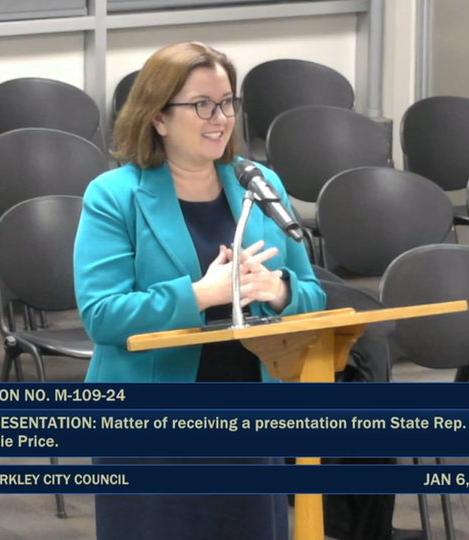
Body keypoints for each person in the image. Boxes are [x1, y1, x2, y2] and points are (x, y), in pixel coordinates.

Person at [73, 42, 326, 540]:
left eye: (228, 102)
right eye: (201, 105)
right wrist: (202, 294)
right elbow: (102, 315)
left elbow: (314, 297)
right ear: (158, 117)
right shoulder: (114, 196)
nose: (220, 117)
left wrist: (277, 291)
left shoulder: (259, 183)